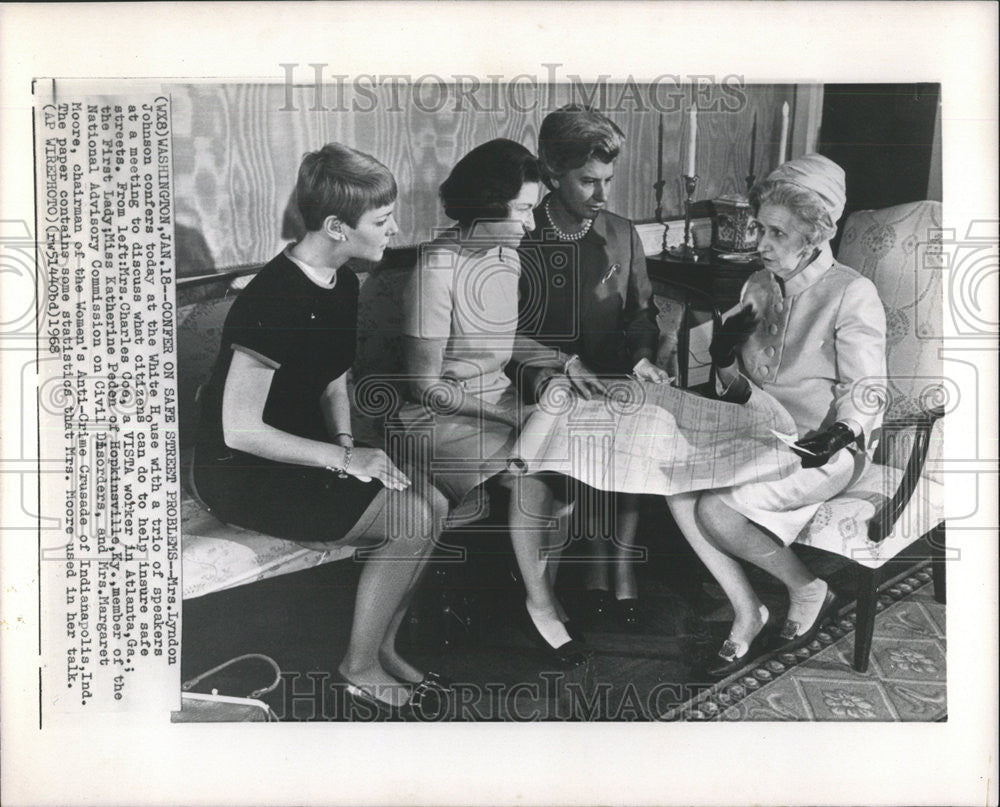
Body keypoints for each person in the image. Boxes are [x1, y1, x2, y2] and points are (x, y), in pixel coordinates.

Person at [193, 143, 450, 712]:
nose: (394, 230)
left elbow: (334, 379)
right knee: (410, 519)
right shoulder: (275, 296)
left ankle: (382, 648)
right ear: (337, 226)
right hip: (242, 472)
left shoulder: (344, 279)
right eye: (382, 221)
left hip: (304, 452)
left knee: (433, 504)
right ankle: (356, 667)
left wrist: (345, 443)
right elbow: (238, 430)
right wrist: (344, 461)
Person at [666, 153, 887, 677]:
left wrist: (841, 431)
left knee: (716, 510)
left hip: (827, 448)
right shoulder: (759, 286)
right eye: (759, 228)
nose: (760, 244)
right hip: (760, 434)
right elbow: (743, 390)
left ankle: (808, 589)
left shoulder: (852, 293)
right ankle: (748, 611)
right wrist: (722, 359)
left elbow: (869, 390)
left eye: (776, 233)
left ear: (814, 233)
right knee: (674, 486)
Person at [397, 138, 586, 668]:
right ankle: (539, 605)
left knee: (578, 461)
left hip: (498, 405)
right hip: (436, 417)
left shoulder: (506, 253)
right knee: (529, 476)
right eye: (523, 209)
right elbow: (423, 385)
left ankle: (540, 584)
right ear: (487, 205)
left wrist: (565, 362)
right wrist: (511, 413)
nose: (531, 224)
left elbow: (501, 339)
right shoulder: (437, 269)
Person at [518, 105, 672, 629]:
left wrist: (645, 359)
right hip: (545, 383)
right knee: (581, 425)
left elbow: (641, 313)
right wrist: (551, 373)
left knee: (640, 419)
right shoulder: (519, 234)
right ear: (550, 174)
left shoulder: (622, 233)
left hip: (613, 377)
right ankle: (588, 568)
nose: (602, 195)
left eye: (607, 180)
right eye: (588, 182)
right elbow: (500, 333)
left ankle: (622, 562)